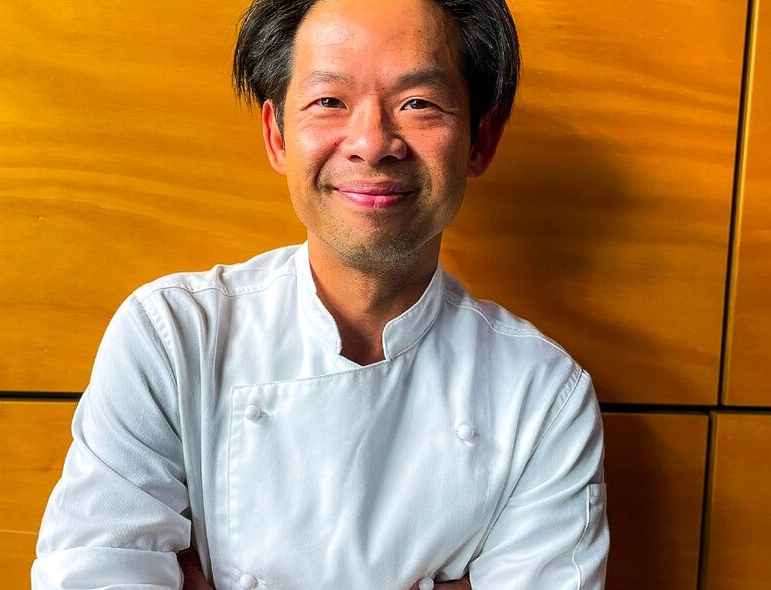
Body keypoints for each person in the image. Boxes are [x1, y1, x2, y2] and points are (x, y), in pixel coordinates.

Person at [31, 0, 609, 588]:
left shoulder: (542, 396)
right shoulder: (172, 338)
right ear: (277, 136)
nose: (372, 142)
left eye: (419, 103)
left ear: (480, 141)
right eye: (329, 101)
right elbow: (89, 572)